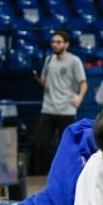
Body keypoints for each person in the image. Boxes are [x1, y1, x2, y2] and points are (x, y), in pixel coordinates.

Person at [33, 31, 87, 175]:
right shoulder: (49, 59)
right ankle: (44, 174)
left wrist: (79, 97)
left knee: (67, 145)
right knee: (42, 143)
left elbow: (83, 83)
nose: (55, 45)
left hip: (66, 109)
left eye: (58, 42)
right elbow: (45, 82)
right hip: (48, 108)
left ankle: (66, 173)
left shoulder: (74, 61)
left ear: (66, 44)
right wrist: (38, 79)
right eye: (53, 42)